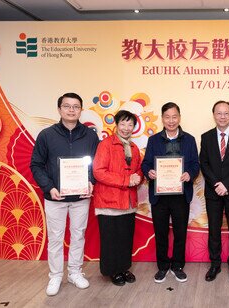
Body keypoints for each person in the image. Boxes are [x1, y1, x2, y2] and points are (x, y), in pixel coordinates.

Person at [30, 93, 99, 296]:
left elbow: (96, 163)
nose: (71, 110)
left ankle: (75, 273)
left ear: (81, 110)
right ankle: (55, 276)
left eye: (76, 106)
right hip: (55, 197)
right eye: (67, 106)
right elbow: (36, 164)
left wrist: (90, 181)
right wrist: (48, 186)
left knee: (78, 236)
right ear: (59, 109)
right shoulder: (47, 135)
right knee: (55, 238)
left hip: (80, 198)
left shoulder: (90, 135)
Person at [141, 102, 200, 283]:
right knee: (161, 233)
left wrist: (189, 174)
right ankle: (163, 267)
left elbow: (195, 164)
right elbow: (145, 164)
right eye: (167, 117)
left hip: (181, 196)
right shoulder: (154, 140)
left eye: (174, 117)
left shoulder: (189, 139)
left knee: (180, 233)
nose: (171, 120)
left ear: (179, 118)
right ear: (162, 119)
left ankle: (177, 266)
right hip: (159, 196)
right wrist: (149, 172)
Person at [92, 110, 143, 286]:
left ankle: (123, 268)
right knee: (110, 239)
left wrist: (139, 177)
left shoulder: (134, 148)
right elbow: (98, 172)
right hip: (109, 201)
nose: (126, 128)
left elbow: (138, 171)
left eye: (130, 125)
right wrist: (126, 180)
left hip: (128, 202)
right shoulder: (105, 145)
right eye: (123, 124)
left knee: (125, 237)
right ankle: (112, 271)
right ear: (116, 124)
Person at [200, 101, 229, 283]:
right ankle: (215, 264)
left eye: (226, 113)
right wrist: (216, 184)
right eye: (219, 113)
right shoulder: (206, 137)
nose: (222, 116)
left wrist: (226, 184)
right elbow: (203, 163)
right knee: (214, 230)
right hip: (213, 193)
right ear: (213, 115)